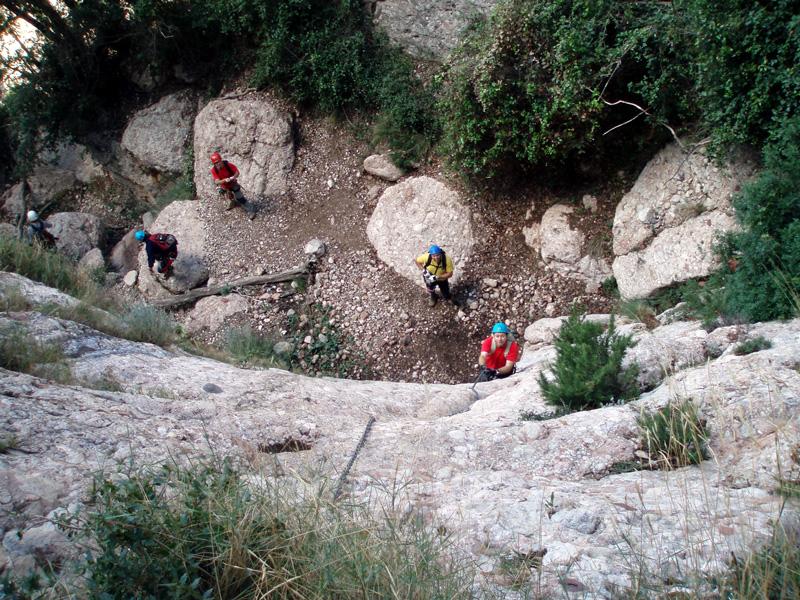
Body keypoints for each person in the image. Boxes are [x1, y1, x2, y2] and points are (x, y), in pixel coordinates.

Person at [209, 151, 255, 219]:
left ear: (221, 161)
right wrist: (224, 180)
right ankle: (232, 202)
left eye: (218, 162)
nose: (217, 164)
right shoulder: (214, 170)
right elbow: (217, 182)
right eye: (215, 163)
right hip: (225, 186)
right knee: (228, 196)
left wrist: (233, 177)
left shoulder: (228, 165)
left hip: (232, 184)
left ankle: (251, 210)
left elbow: (237, 172)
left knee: (240, 198)